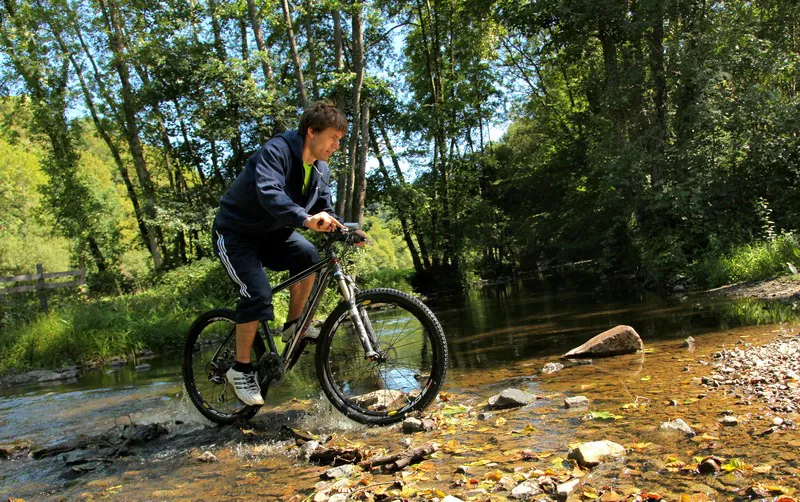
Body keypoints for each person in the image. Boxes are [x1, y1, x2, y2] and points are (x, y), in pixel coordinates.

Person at [212, 101, 351, 406]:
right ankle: (241, 368)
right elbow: (269, 193)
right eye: (332, 138)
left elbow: (323, 208)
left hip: (272, 234)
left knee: (308, 257)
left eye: (339, 140)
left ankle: (293, 327)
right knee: (258, 294)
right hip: (236, 234)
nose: (336, 146)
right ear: (311, 132)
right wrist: (304, 219)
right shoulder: (275, 151)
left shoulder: (320, 168)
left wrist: (345, 230)